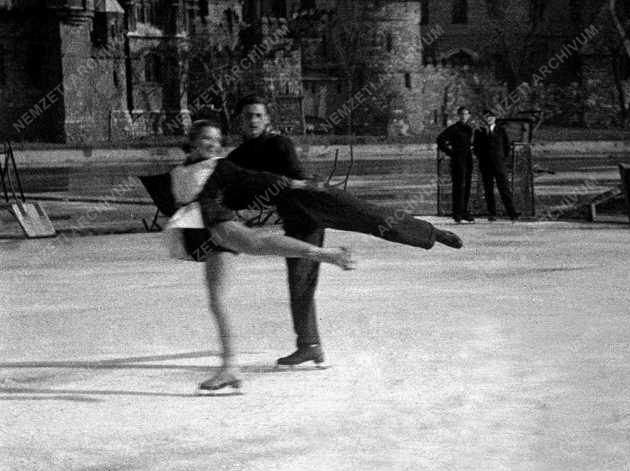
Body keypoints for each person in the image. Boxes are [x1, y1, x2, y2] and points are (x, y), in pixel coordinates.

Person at [162, 121, 464, 392]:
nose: (213, 144)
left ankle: (331, 254)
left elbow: (261, 179)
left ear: (266, 119)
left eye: (216, 139)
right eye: (206, 138)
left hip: (232, 222)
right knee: (219, 301)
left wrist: (302, 184)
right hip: (209, 234)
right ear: (191, 141)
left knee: (259, 242)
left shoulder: (227, 164)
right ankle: (240, 364)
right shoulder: (187, 169)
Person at [225, 95, 326, 369]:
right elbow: (228, 178)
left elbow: (297, 177)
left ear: (268, 119)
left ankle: (310, 346)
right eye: (248, 115)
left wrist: (268, 186)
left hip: (307, 215)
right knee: (299, 280)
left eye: (259, 115)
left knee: (300, 281)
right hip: (291, 220)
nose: (253, 120)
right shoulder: (242, 152)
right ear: (240, 120)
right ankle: (310, 344)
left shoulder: (279, 144)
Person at [472, 109, 519, 221]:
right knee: (488, 190)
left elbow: (507, 147)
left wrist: (501, 159)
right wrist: (482, 159)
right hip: (486, 165)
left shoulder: (501, 130)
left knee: (504, 189)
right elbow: (476, 148)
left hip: (499, 165)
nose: (489, 119)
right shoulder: (479, 131)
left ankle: (512, 213)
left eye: (491, 117)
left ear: (495, 118)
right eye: (486, 117)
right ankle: (492, 213)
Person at [436, 106, 475, 223]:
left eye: (466, 114)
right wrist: (451, 153)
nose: (464, 116)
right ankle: (457, 213)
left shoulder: (470, 129)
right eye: (462, 114)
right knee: (458, 186)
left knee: (467, 185)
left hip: (468, 159)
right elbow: (440, 139)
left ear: (469, 116)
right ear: (459, 116)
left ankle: (464, 211)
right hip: (458, 160)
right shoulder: (454, 128)